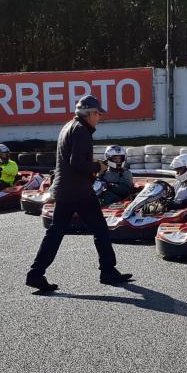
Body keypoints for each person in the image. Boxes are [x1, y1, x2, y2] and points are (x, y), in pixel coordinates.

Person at [26, 95, 130, 292]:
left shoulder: (69, 126)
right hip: (78, 190)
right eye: (98, 113)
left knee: (55, 232)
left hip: (66, 189)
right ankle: (108, 271)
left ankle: (35, 273)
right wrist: (97, 166)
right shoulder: (81, 130)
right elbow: (77, 163)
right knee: (100, 228)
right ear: (89, 113)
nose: (100, 117)